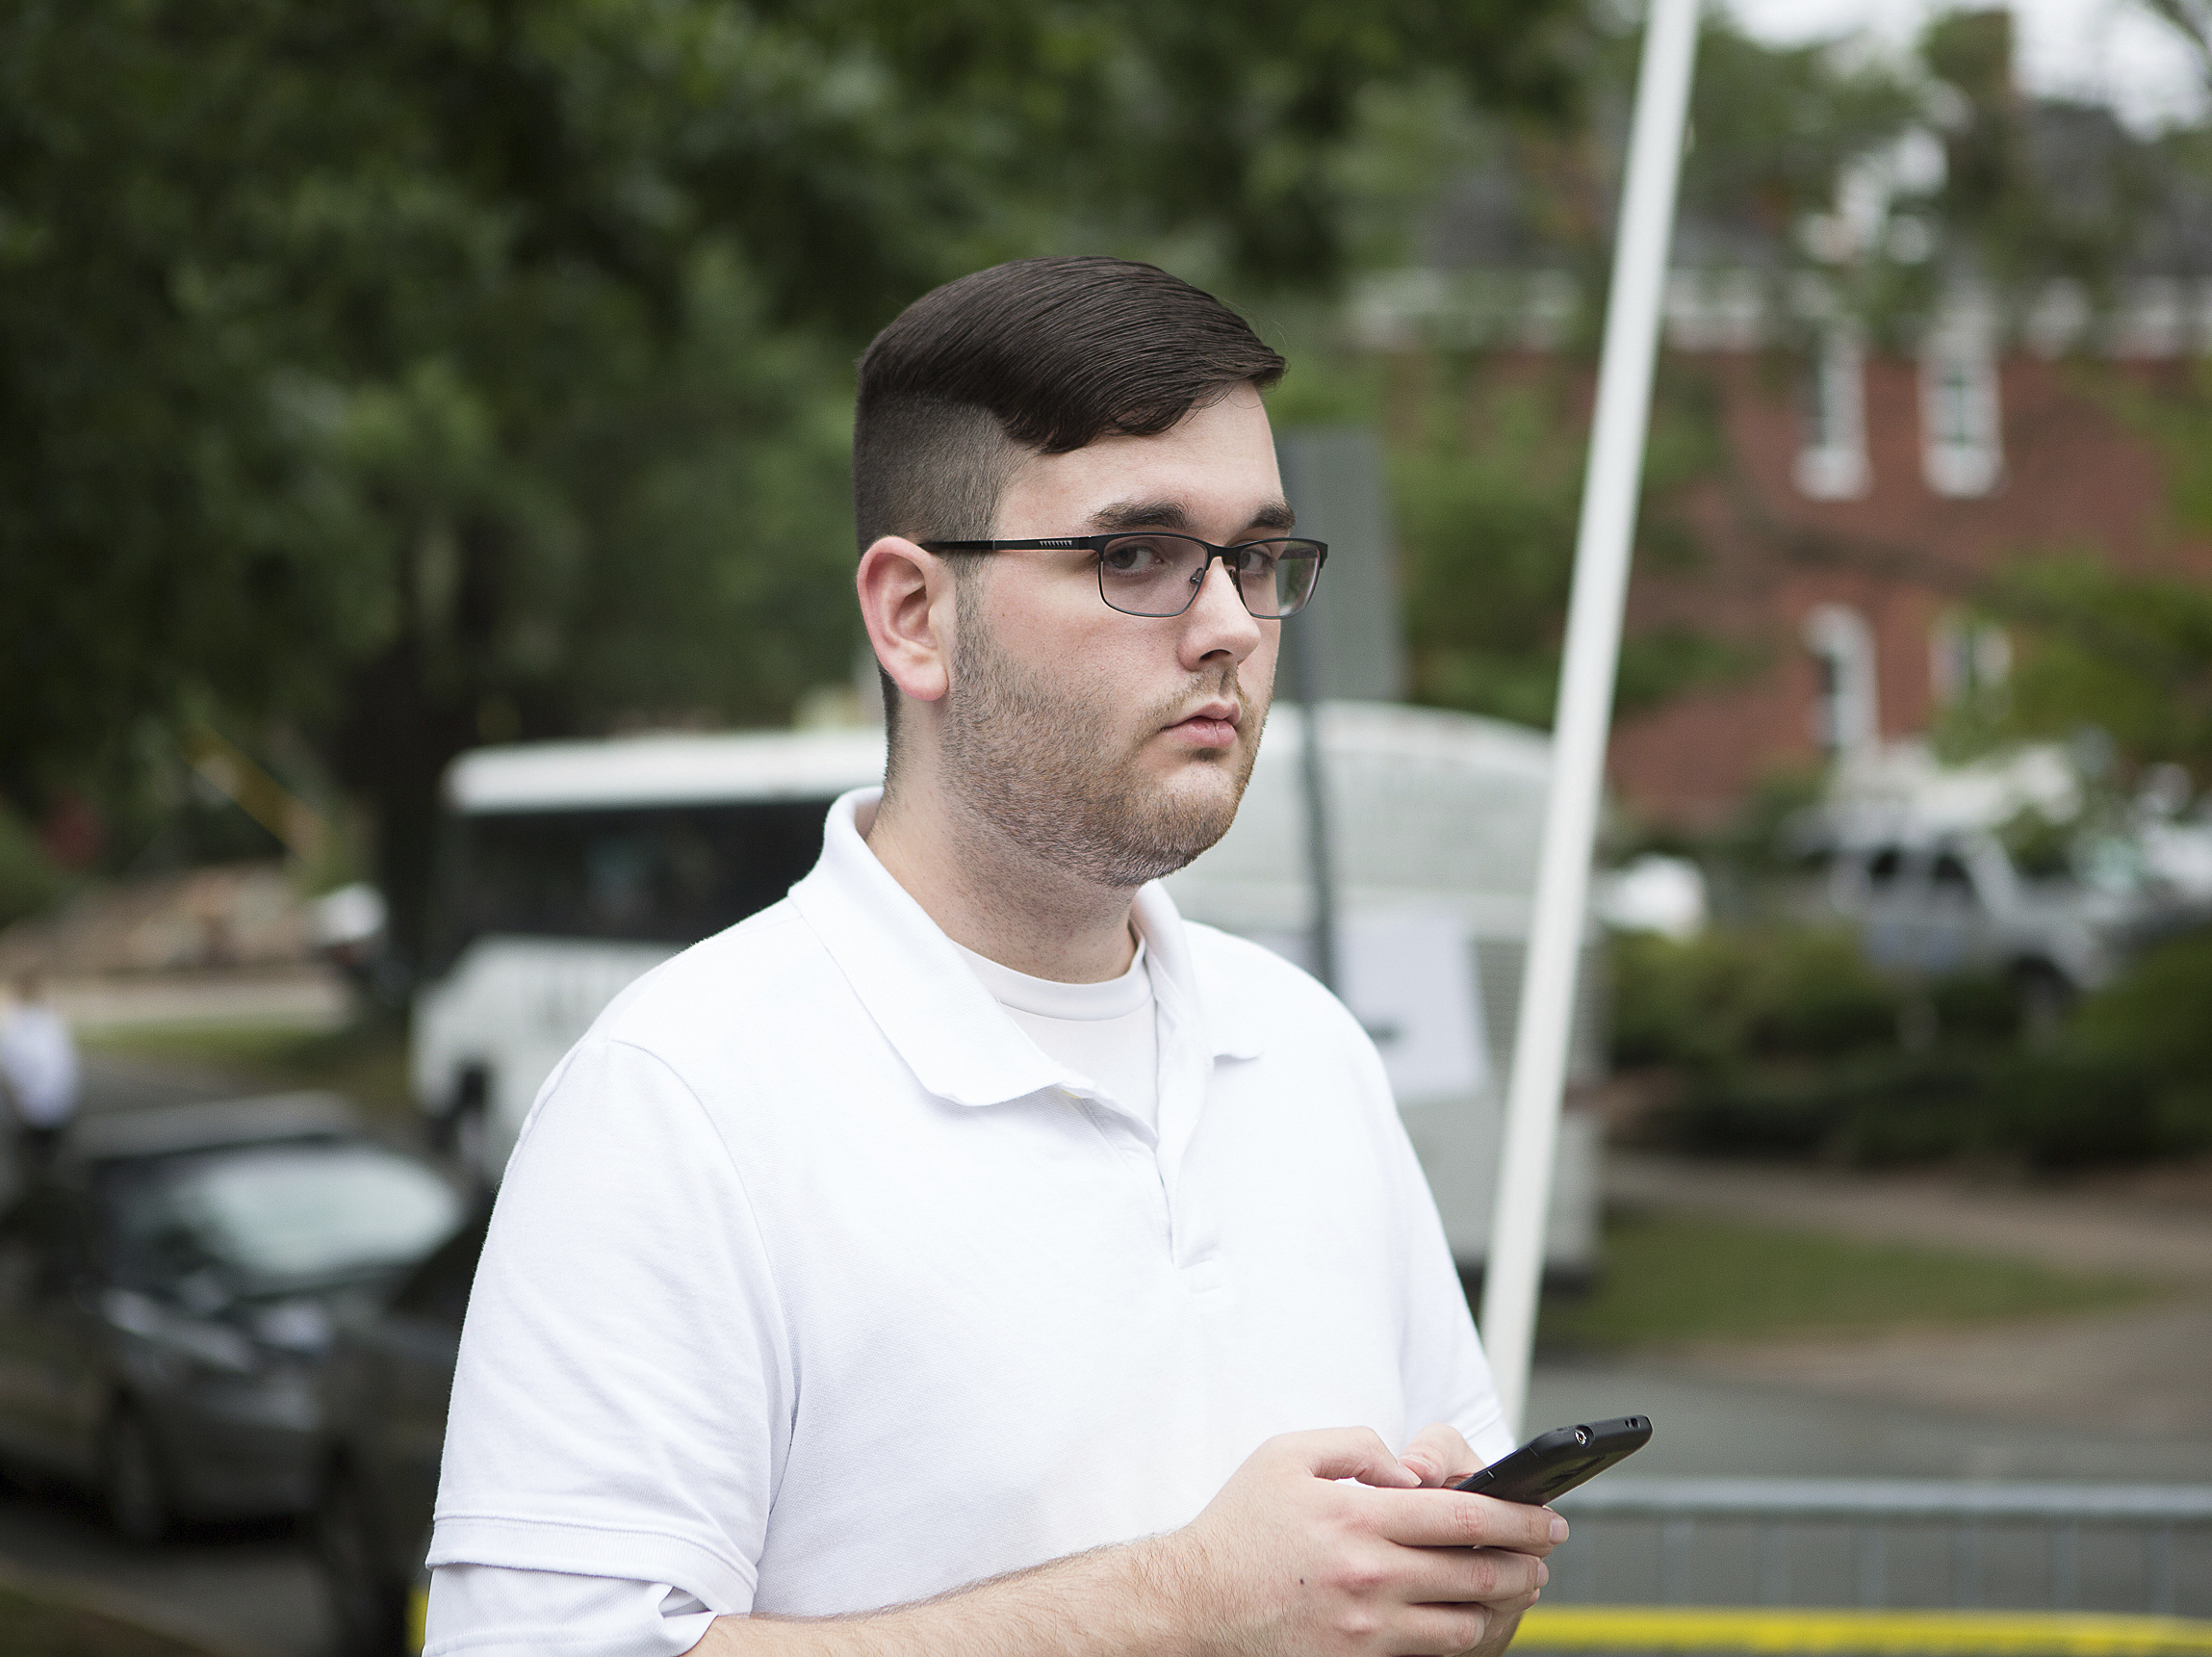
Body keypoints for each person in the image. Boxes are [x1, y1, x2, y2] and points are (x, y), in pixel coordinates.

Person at [425, 256, 1559, 1657]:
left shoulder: (1309, 1050)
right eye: (1133, 554)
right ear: (912, 616)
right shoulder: (678, 1100)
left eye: (1255, 560)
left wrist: (1440, 1580)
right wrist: (1192, 1604)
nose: (1225, 629)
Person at [0, 971, 79, 1174]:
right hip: (55, 1109)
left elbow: (13, 1072)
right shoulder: (51, 1023)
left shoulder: (17, 1026)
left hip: (32, 1112)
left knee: (32, 1165)